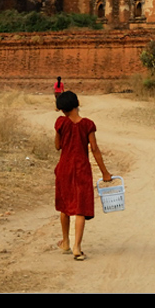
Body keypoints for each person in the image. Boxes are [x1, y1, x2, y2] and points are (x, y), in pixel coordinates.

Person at [54, 91, 112, 261]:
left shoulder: (60, 123)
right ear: (77, 103)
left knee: (65, 206)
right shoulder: (88, 125)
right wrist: (105, 172)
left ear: (61, 110)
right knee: (79, 207)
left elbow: (57, 146)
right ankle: (77, 247)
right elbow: (94, 149)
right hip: (81, 169)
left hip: (64, 168)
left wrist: (59, 132)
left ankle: (65, 241)